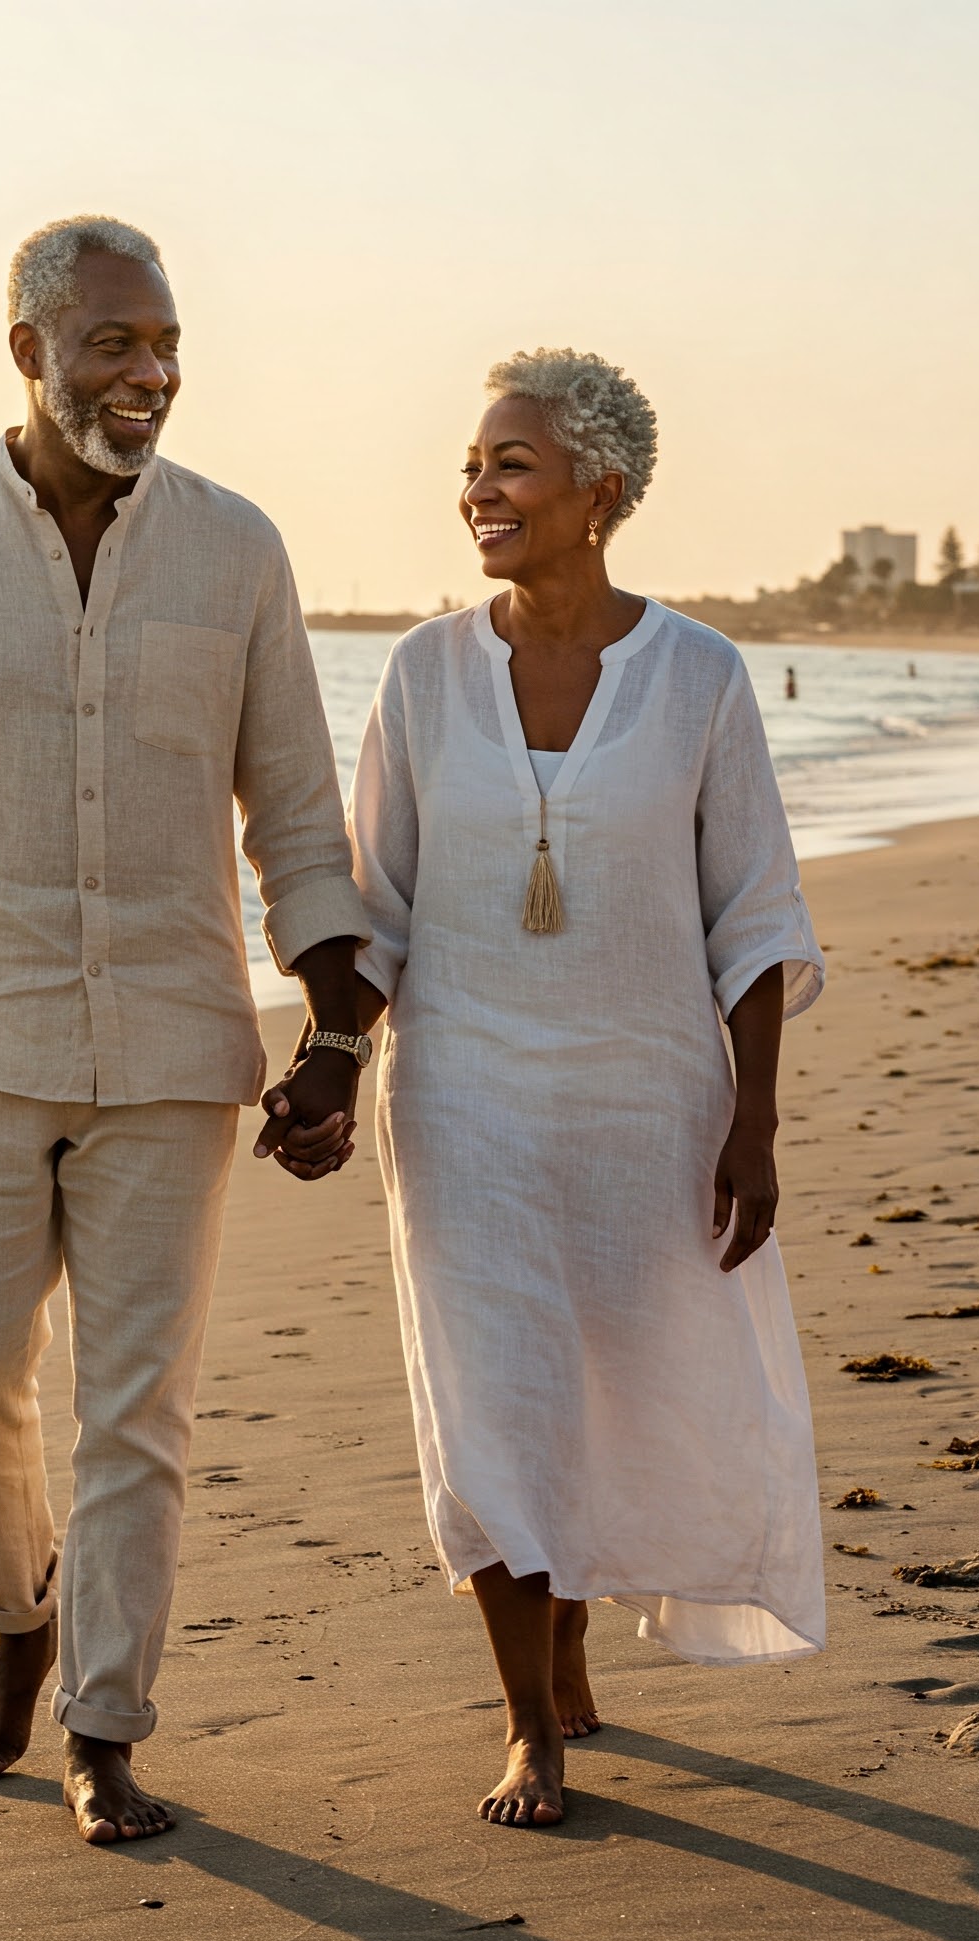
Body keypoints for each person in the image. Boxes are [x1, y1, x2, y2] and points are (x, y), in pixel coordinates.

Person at [0, 216, 372, 1847]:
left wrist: (336, 1030)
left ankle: (104, 1727)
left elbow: (300, 825)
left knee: (138, 1406)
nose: (148, 371)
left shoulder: (235, 550)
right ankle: (19, 1610)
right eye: (112, 341)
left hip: (175, 1050)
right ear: (27, 349)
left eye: (165, 341)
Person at [299, 349, 826, 1829]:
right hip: (459, 1092)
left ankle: (576, 1618)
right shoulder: (422, 673)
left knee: (614, 1382)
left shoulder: (699, 678)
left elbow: (756, 917)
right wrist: (334, 1061)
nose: (478, 490)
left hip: (644, 1093)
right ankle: (530, 1719)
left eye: (511, 464)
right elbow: (376, 908)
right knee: (494, 1398)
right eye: (472, 466)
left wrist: (755, 1117)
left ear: (600, 491)